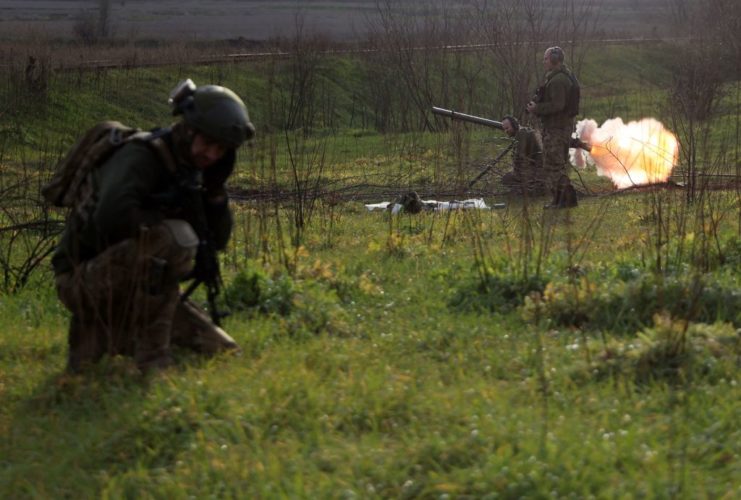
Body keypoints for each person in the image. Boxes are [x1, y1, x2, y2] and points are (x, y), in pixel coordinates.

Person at [51, 80, 255, 373]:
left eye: (221, 150)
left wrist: (214, 194)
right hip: (80, 280)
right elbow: (110, 218)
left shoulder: (191, 173)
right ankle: (151, 359)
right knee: (175, 238)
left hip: (139, 284)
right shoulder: (142, 156)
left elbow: (217, 242)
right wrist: (162, 225)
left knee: (222, 352)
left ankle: (110, 333)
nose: (212, 154)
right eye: (208, 143)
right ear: (188, 130)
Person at [526, 46, 579, 208]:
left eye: (546, 59)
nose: (544, 62)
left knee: (553, 165)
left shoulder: (557, 81)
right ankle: (560, 200)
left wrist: (537, 108)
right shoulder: (562, 77)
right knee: (555, 164)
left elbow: (558, 105)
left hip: (556, 129)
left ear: (555, 60)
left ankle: (565, 200)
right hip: (560, 128)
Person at [500, 115, 545, 194]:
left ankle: (532, 189)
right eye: (504, 129)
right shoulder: (523, 132)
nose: (506, 131)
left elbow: (520, 159)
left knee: (506, 179)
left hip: (537, 171)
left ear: (514, 125)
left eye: (507, 128)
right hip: (538, 169)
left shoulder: (521, 134)